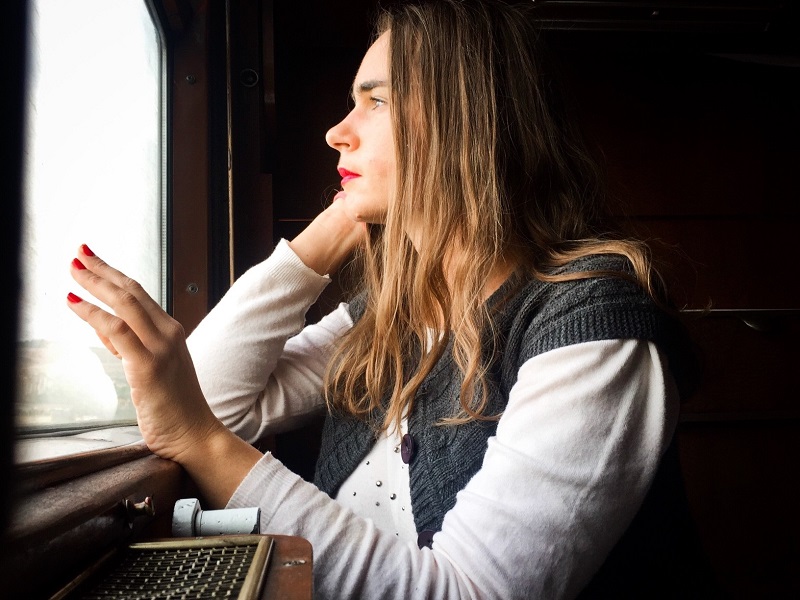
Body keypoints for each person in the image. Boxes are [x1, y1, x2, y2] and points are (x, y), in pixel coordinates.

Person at [67, 1, 706, 597]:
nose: (335, 133)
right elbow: (211, 399)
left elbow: (469, 592)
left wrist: (199, 442)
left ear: (468, 124)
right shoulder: (390, 319)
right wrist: (335, 224)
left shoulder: (594, 328)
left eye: (376, 102)